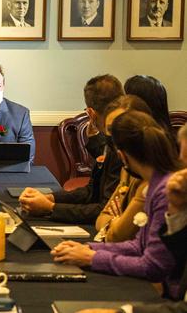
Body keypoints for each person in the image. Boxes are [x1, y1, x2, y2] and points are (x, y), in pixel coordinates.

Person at [51, 111, 182, 297]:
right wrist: (89, 248)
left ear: (122, 157)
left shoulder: (165, 191)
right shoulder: (154, 184)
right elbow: (139, 246)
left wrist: (93, 258)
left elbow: (152, 266)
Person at [20, 74, 124, 223]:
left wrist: (51, 207)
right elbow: (91, 191)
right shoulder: (113, 139)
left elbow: (104, 210)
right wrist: (50, 197)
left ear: (91, 114)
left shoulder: (120, 148)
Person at [94, 96, 153, 243]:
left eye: (122, 128)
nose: (114, 137)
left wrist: (114, 223)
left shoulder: (150, 179)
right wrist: (115, 222)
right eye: (110, 130)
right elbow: (102, 216)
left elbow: (118, 236)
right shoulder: (127, 169)